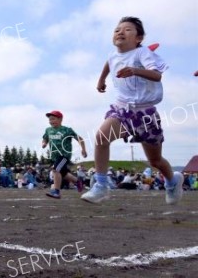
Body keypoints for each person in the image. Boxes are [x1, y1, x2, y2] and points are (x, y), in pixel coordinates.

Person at [82, 16, 183, 205]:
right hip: (123, 109)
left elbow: (157, 75)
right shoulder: (113, 56)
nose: (120, 32)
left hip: (146, 114)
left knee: (155, 161)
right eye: (117, 29)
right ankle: (101, 186)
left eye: (127, 29)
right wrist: (101, 80)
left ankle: (172, 181)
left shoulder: (142, 53)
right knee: (101, 137)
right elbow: (108, 64)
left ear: (139, 38)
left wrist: (135, 70)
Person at [42, 110, 87, 199]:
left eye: (53, 119)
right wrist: (44, 143)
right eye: (50, 120)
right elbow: (45, 138)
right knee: (63, 173)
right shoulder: (48, 130)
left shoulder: (67, 130)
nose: (51, 121)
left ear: (60, 119)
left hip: (64, 155)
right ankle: (78, 182)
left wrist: (83, 150)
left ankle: (56, 191)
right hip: (54, 156)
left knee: (56, 170)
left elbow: (80, 139)